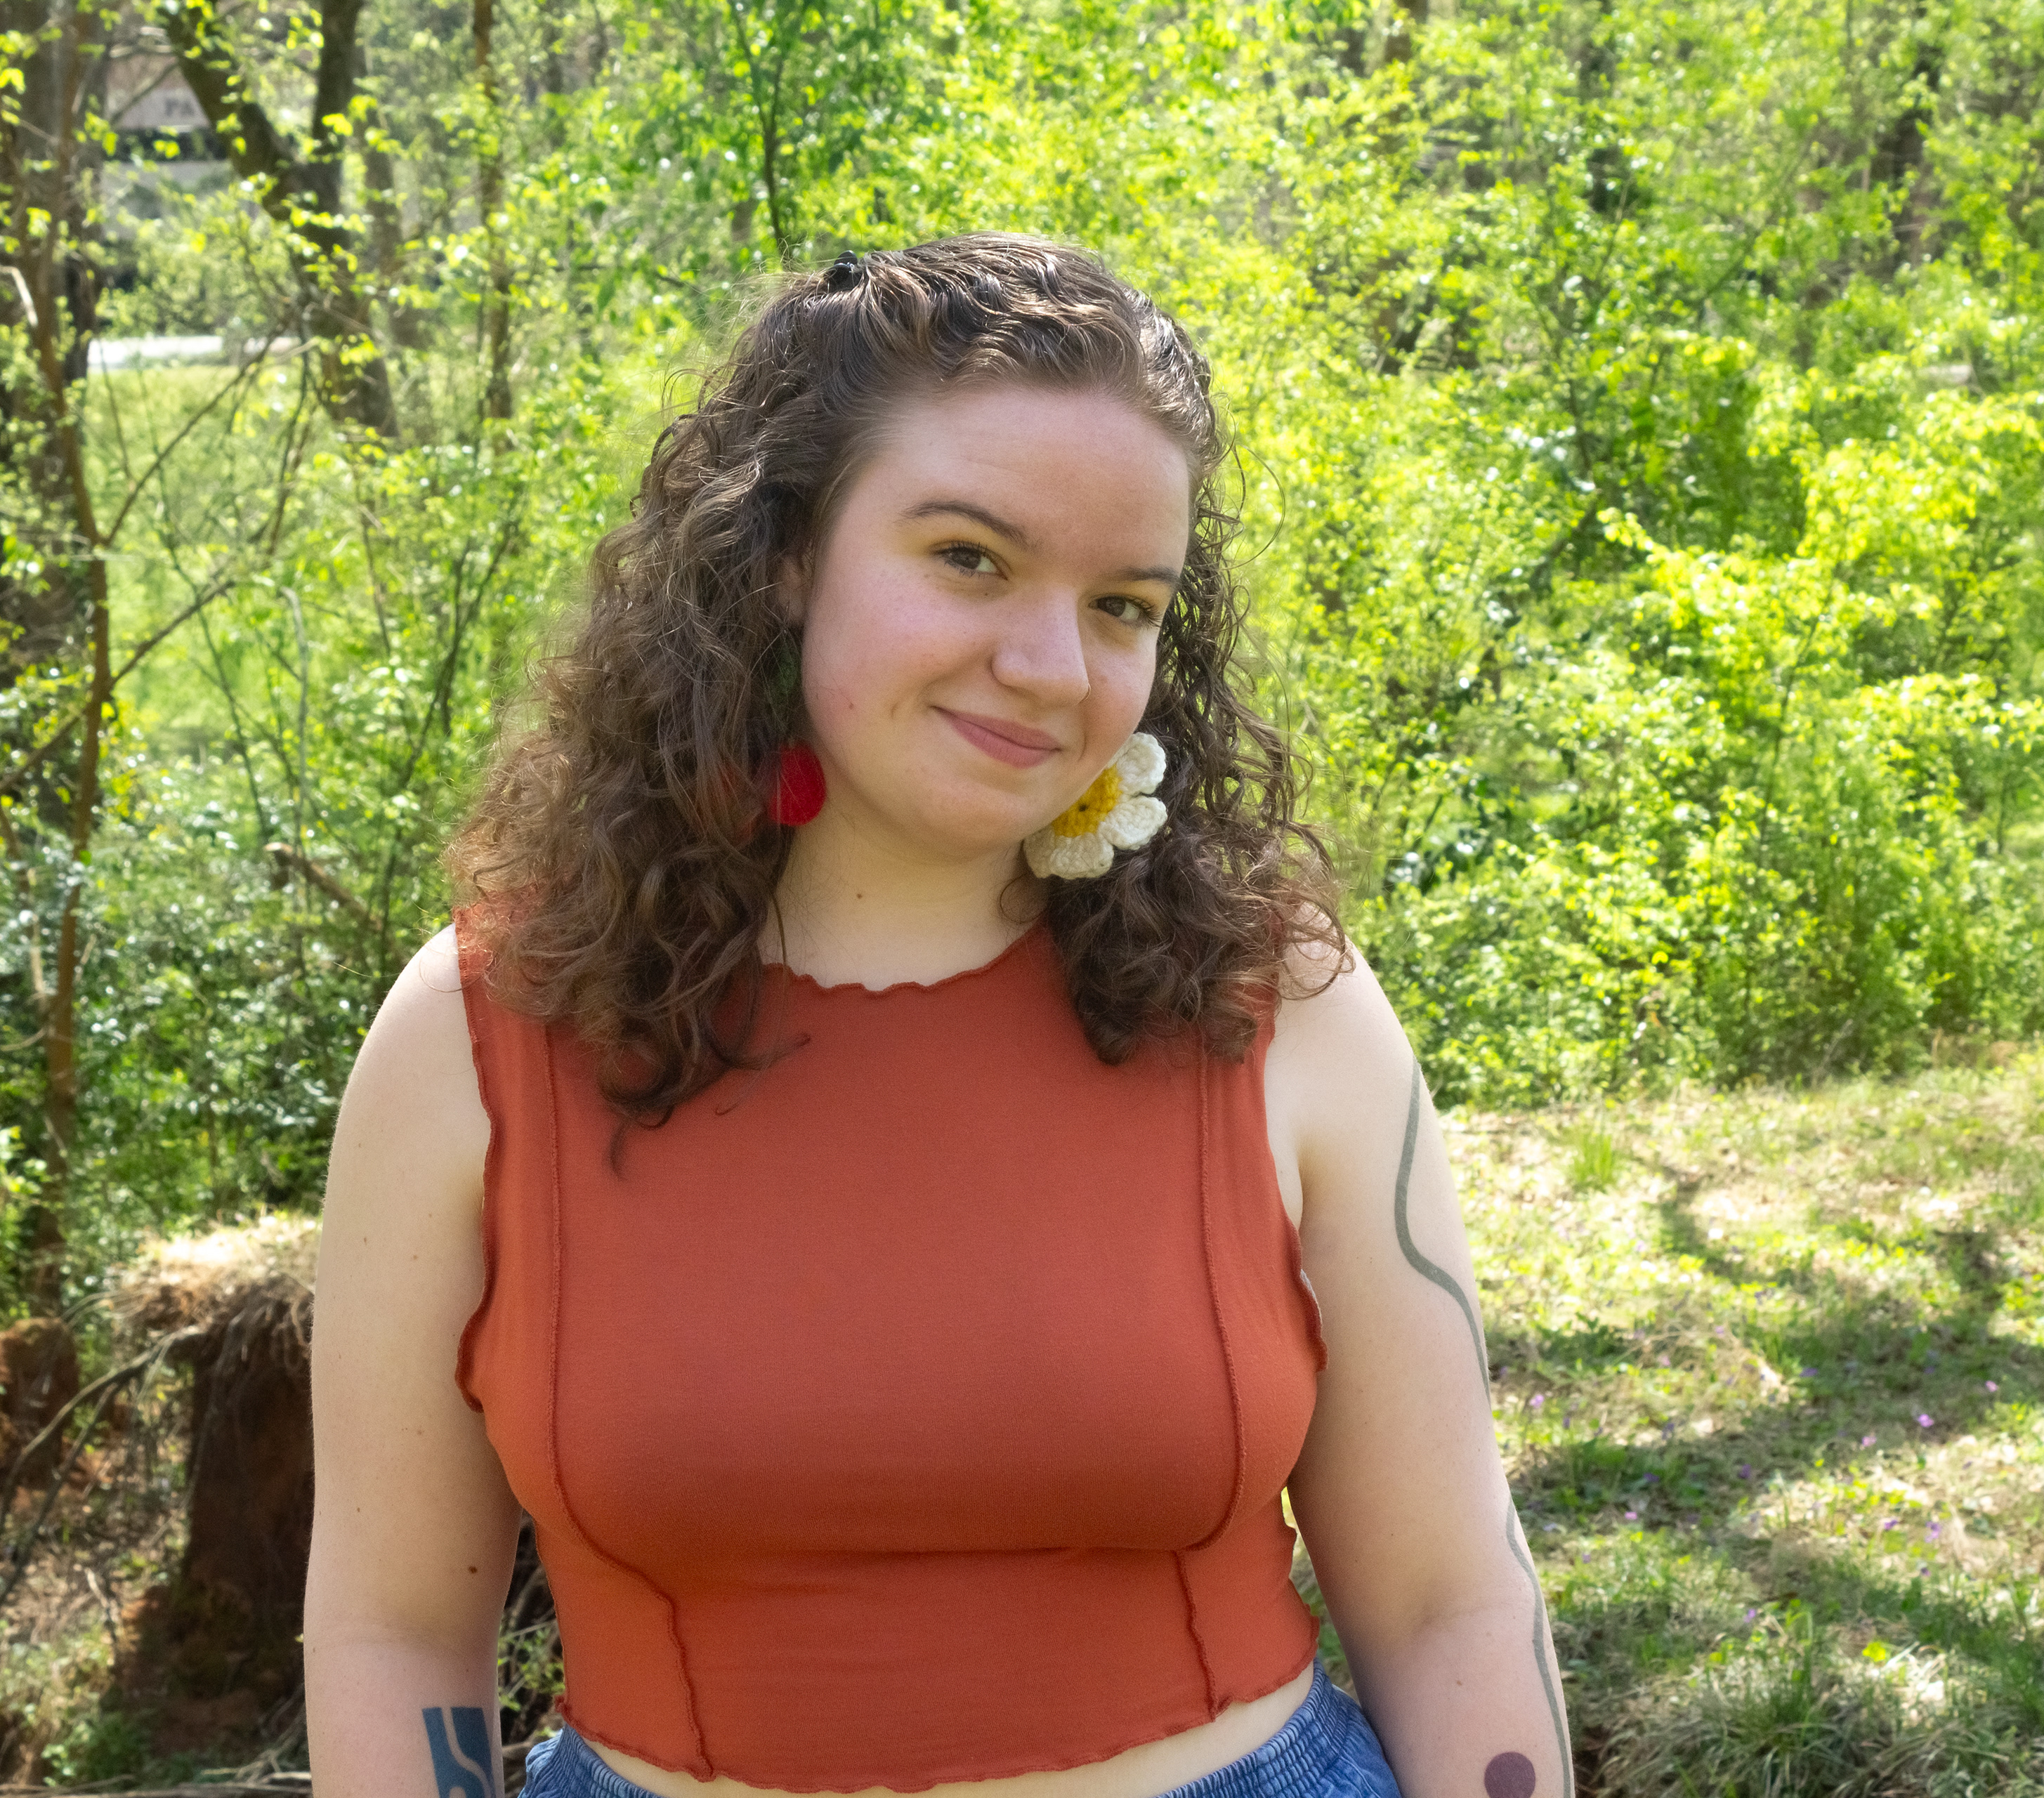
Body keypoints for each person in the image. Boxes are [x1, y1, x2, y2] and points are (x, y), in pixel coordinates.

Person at [306, 235, 1571, 1798]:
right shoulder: (482, 1030)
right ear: (782, 552)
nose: (1052, 666)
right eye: (970, 557)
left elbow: (1449, 1599)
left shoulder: (1278, 1000)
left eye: (1124, 604)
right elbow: (392, 1628)